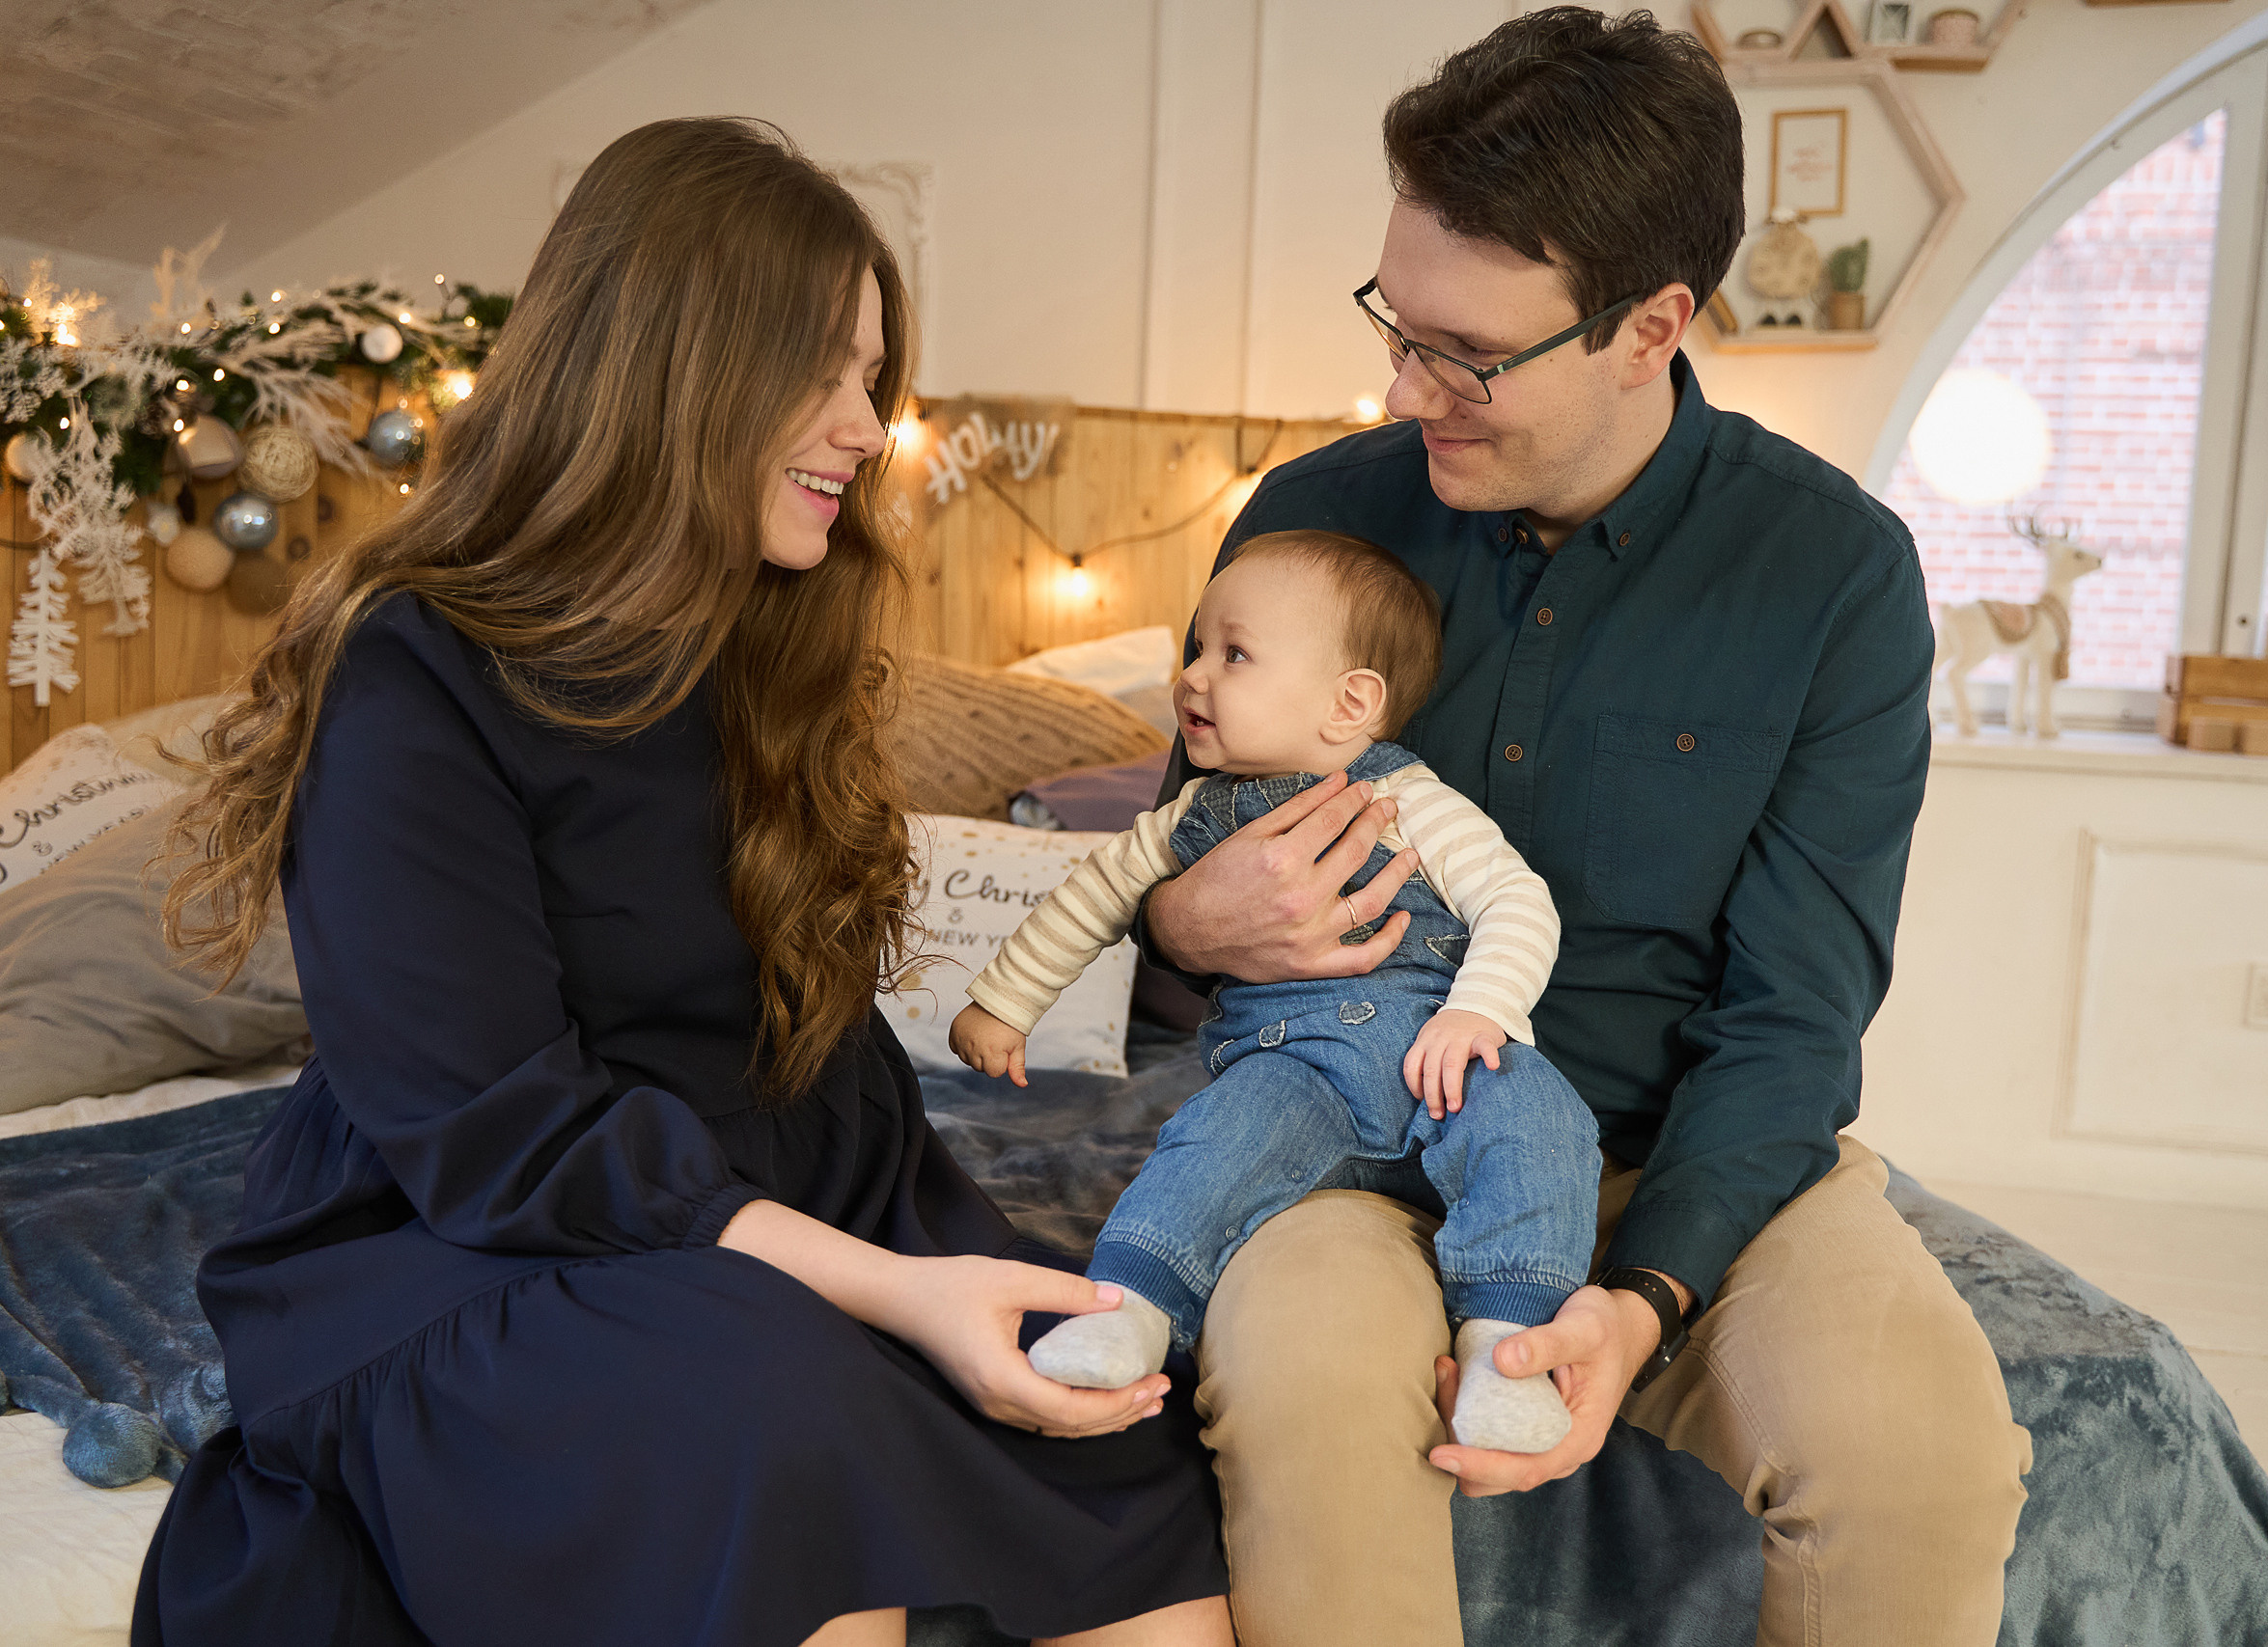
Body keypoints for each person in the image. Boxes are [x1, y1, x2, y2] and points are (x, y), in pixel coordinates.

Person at [133, 118, 1231, 1647]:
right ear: (675, 370)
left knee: (1132, 1421)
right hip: (459, 1243)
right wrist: (888, 1296)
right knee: (774, 1410)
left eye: (873, 380)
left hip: (755, 1225)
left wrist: (959, 1272)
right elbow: (500, 1131)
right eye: (825, 375)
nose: (866, 429)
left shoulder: (769, 655)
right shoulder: (414, 667)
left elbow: (825, 1074)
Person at [1138, 11, 2034, 1647]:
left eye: (1465, 355)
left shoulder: (1833, 576)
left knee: (1920, 1461)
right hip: (1353, 1133)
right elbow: (1167, 865)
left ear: (1651, 326)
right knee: (1305, 1388)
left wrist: (1640, 1301)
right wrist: (1188, 925)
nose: (1403, 389)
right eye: (1395, 325)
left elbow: (1796, 1014)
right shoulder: (1315, 516)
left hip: (1693, 1153)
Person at [950, 530, 1598, 1455]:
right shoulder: (1191, 818)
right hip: (1292, 1071)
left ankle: (1506, 1346)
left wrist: (1478, 1011)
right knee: (1210, 1142)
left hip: (1442, 1063)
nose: (1192, 676)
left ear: (1350, 703)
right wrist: (1004, 1003)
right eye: (1196, 648)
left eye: (1234, 654)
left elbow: (1516, 900)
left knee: (1543, 1118)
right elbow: (1090, 895)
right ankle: (1126, 1309)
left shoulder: (1412, 802)